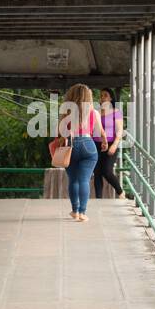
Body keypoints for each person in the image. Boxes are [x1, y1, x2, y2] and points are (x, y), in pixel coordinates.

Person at [56, 83, 106, 221]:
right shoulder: (93, 112)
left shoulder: (66, 111)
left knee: (73, 180)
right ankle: (83, 213)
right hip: (88, 145)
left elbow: (61, 132)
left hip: (71, 145)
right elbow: (101, 131)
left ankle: (75, 211)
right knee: (84, 180)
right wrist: (105, 142)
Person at [95, 88, 125, 199]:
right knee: (97, 172)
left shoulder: (116, 112)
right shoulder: (97, 112)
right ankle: (98, 199)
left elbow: (120, 131)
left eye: (105, 95)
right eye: (101, 95)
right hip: (97, 144)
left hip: (111, 143)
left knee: (106, 171)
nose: (102, 97)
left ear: (111, 98)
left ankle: (120, 192)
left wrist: (114, 145)